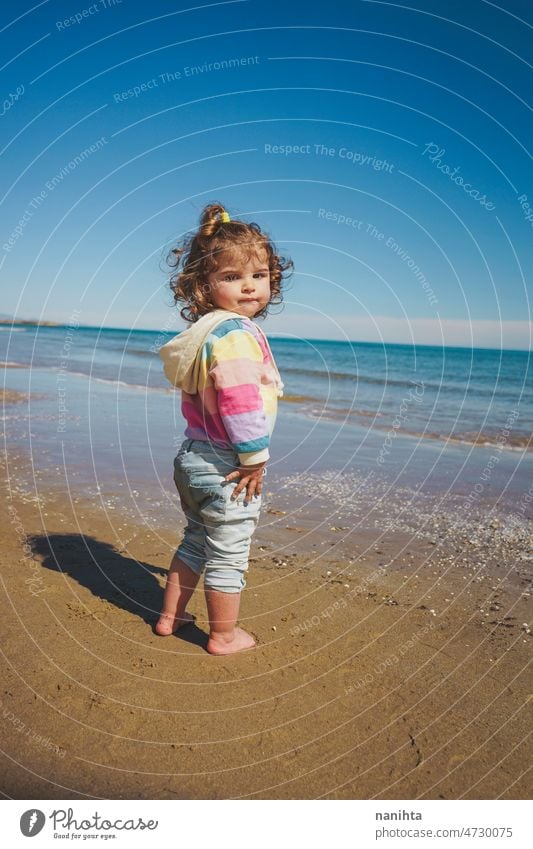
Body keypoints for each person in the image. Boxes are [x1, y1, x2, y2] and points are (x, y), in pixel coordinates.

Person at [155, 202, 293, 655]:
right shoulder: (236, 334)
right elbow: (239, 398)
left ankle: (170, 618)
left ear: (273, 277)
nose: (249, 285)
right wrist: (255, 457)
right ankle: (223, 635)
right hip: (225, 464)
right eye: (232, 277)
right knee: (229, 553)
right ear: (203, 285)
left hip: (192, 456)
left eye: (259, 274)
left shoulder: (206, 331)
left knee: (196, 537)